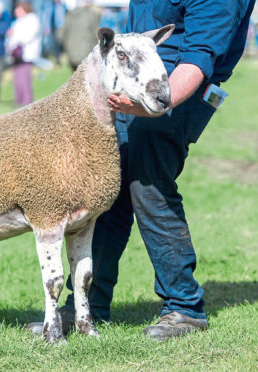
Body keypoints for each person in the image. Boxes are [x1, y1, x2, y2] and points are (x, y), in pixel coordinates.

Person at [30, 0, 256, 340]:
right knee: (111, 188)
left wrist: (152, 107)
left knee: (148, 185)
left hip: (179, 88)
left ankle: (185, 307)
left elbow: (198, 59)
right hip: (135, 84)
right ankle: (87, 307)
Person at [5, 2, 41, 106]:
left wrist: (16, 39)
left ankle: (27, 101)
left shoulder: (33, 20)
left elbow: (28, 36)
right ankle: (18, 100)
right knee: (17, 79)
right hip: (16, 54)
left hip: (26, 53)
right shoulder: (16, 22)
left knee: (25, 78)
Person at [58, 0, 101, 71]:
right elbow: (96, 34)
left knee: (75, 78)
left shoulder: (70, 14)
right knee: (86, 79)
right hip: (86, 54)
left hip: (71, 54)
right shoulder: (92, 14)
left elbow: (60, 34)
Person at [40, 0, 66, 64]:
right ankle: (48, 56)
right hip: (50, 28)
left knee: (58, 42)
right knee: (50, 43)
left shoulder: (61, 5)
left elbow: (62, 17)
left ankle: (57, 58)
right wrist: (45, 27)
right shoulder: (48, 4)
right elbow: (45, 16)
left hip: (58, 27)